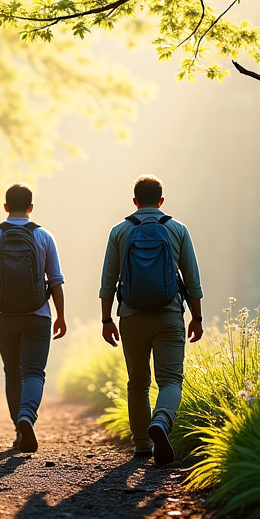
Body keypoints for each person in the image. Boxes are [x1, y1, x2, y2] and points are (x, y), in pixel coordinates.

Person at [99, 175, 203, 466]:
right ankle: (161, 420)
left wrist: (106, 319)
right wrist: (197, 317)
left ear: (135, 201)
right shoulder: (177, 229)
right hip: (169, 315)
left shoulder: (120, 231)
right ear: (161, 201)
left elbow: (108, 281)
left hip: (131, 316)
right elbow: (192, 279)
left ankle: (142, 445)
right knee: (170, 379)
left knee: (138, 382)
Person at [0, 183, 67, 453]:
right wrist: (60, 315)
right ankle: (28, 416)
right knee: (34, 372)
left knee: (12, 373)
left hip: (2, 315)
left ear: (5, 207)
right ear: (31, 207)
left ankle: (18, 429)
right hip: (38, 315)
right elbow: (56, 280)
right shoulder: (43, 236)